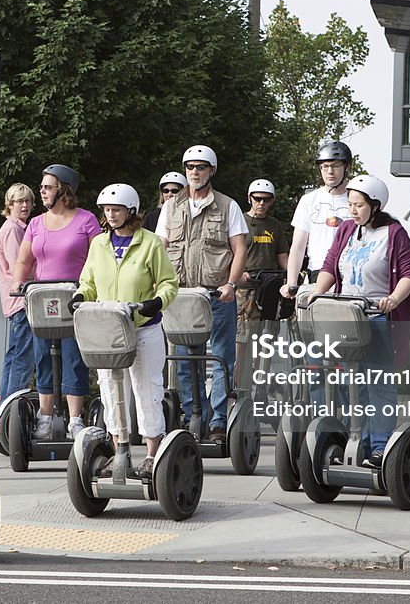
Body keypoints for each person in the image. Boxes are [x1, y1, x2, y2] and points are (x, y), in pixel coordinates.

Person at [312, 174, 410, 469]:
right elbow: (330, 266)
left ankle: (379, 448)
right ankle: (348, 442)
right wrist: (317, 296)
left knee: (378, 384)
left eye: (358, 205)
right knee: (345, 383)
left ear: (375, 205)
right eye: (350, 204)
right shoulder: (346, 229)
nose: (353, 210)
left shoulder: (394, 233)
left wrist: (394, 299)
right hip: (345, 317)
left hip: (377, 318)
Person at [72, 183, 178, 476]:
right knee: (110, 391)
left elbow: (169, 282)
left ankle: (152, 454)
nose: (110, 215)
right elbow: (88, 282)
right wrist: (81, 297)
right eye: (106, 210)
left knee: (148, 390)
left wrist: (156, 302)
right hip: (109, 330)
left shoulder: (150, 243)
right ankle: (120, 450)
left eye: (116, 209)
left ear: (131, 210)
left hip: (143, 328)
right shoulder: (99, 244)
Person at [155, 145, 247, 441]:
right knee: (183, 360)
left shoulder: (227, 205)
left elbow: (239, 249)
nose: (195, 172)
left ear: (212, 171)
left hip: (216, 295)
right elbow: (160, 248)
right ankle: (196, 414)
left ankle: (219, 421)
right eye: (190, 167)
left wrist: (231, 284)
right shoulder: (171, 207)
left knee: (221, 359)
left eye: (201, 167)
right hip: (181, 297)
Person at [11, 164, 101, 439]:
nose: (42, 191)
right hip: (42, 299)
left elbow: (100, 258)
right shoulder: (37, 223)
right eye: (42, 187)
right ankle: (45, 417)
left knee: (74, 356)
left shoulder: (86, 220)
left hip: (74, 297)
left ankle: (75, 419)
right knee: (43, 356)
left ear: (63, 189)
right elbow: (24, 259)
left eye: (47, 187)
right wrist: (18, 282)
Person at [282, 141, 354, 298]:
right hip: (317, 274)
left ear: (346, 167)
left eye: (335, 166)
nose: (330, 171)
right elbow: (298, 246)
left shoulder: (357, 198)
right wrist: (291, 281)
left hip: (349, 276)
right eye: (324, 166)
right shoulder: (309, 200)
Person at [236, 179, 290, 383]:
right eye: (257, 199)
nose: (261, 203)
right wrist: (237, 273)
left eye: (266, 200)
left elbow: (282, 255)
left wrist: (293, 274)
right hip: (245, 286)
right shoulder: (239, 221)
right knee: (242, 337)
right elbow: (228, 252)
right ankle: (239, 380)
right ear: (250, 198)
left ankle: (262, 381)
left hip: (269, 284)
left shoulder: (274, 225)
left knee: (266, 336)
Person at [0, 183, 37, 400]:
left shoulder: (17, 227)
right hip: (20, 301)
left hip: (15, 302)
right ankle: (12, 405)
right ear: (9, 204)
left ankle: (6, 404)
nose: (25, 205)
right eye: (20, 201)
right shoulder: (13, 229)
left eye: (28, 201)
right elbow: (18, 266)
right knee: (23, 356)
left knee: (14, 355)